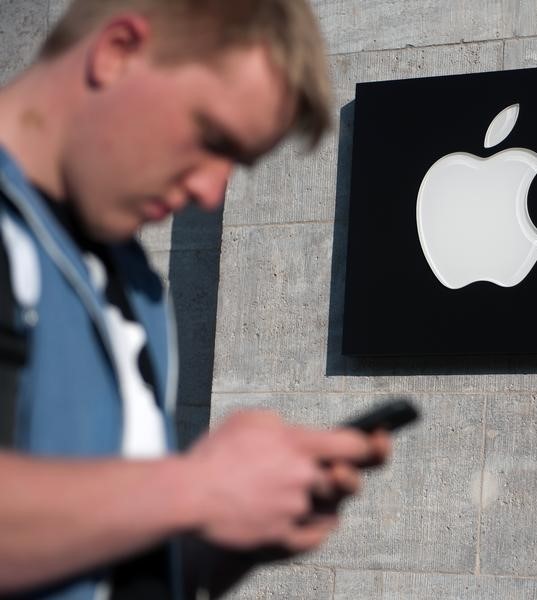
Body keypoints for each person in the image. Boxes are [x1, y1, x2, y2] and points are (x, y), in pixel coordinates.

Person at [0, 1, 389, 598]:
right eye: (211, 137)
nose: (211, 191)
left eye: (238, 162)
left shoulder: (136, 288)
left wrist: (219, 540)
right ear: (117, 51)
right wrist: (199, 488)